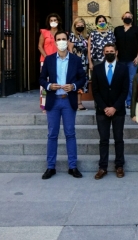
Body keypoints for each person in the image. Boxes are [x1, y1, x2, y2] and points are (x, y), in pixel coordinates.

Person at [39, 31, 87, 180]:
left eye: (64, 39)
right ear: (55, 42)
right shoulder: (49, 60)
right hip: (53, 101)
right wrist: (48, 85)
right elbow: (41, 78)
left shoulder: (75, 60)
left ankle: (73, 167)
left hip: (68, 100)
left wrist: (73, 86)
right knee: (52, 134)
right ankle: (50, 167)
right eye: (58, 39)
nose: (61, 41)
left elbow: (83, 78)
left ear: (68, 41)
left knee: (70, 133)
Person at [91, 43, 129, 179]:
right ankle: (103, 167)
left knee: (119, 139)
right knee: (103, 140)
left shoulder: (123, 69)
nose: (109, 53)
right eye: (107, 51)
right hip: (102, 110)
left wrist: (115, 107)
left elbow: (125, 90)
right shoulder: (97, 69)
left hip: (118, 110)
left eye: (111, 51)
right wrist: (104, 107)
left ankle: (119, 166)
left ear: (116, 52)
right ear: (103, 52)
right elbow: (94, 91)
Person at [114, 11, 138, 109]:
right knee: (120, 81)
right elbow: (114, 44)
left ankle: (130, 102)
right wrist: (115, 57)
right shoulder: (117, 30)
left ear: (132, 18)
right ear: (122, 17)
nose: (127, 18)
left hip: (132, 60)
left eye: (130, 16)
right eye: (126, 16)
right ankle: (120, 102)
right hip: (120, 60)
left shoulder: (137, 29)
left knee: (131, 81)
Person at [38, 13, 61, 112]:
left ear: (58, 21)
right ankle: (44, 105)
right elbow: (40, 46)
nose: (53, 22)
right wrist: (47, 58)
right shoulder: (44, 32)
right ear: (48, 22)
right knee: (45, 83)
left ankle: (56, 103)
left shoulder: (61, 33)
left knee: (57, 81)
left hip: (59, 60)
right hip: (45, 60)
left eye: (55, 20)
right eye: (51, 20)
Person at [68, 17, 89, 110]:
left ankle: (79, 102)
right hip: (75, 62)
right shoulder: (72, 35)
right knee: (75, 81)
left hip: (85, 62)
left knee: (82, 82)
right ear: (74, 26)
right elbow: (70, 49)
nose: (80, 26)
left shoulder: (86, 36)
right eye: (78, 25)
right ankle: (77, 103)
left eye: (81, 25)